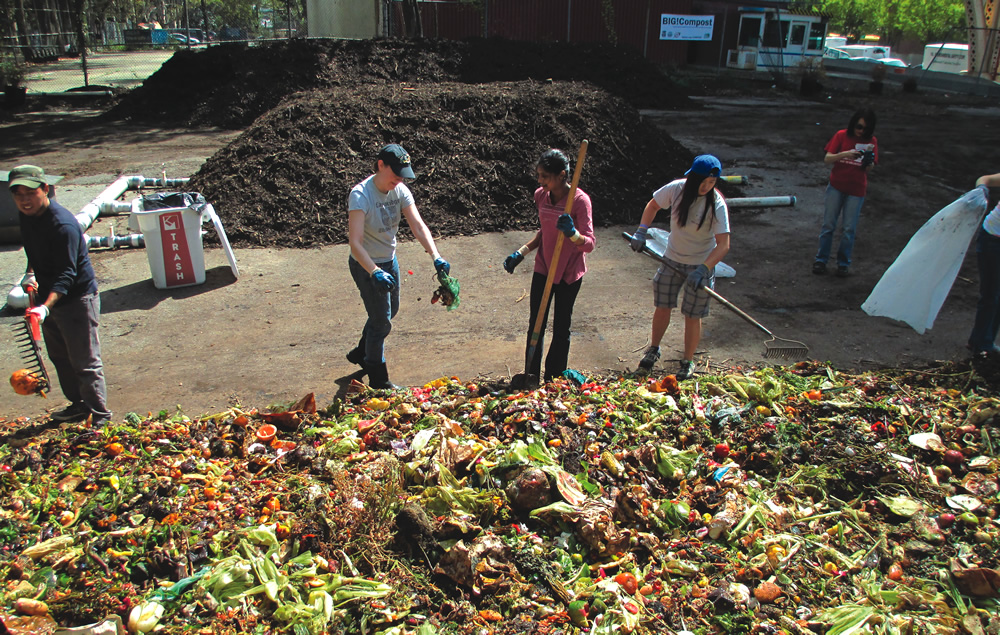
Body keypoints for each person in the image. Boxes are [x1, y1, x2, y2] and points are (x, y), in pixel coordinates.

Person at [8, 164, 111, 425]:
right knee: (60, 356)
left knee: (85, 361)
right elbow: (32, 249)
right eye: (18, 194)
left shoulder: (62, 225)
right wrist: (30, 274)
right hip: (48, 295)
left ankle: (100, 417)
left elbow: (67, 273)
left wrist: (45, 307)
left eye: (30, 193)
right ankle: (78, 405)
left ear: (45, 189)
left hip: (76, 298)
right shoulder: (27, 216)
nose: (24, 200)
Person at [347, 144, 451, 389]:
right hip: (366, 265)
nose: (399, 179)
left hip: (389, 261)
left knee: (388, 312)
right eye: (396, 172)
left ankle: (361, 352)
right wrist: (374, 271)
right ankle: (378, 378)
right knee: (382, 322)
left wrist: (436, 255)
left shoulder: (400, 190)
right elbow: (355, 243)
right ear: (381, 165)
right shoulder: (360, 195)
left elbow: (418, 225)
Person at [630, 155, 730, 380]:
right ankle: (653, 349)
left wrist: (704, 269)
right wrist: (641, 230)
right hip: (672, 258)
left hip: (701, 264)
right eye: (702, 182)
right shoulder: (676, 189)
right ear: (692, 178)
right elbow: (653, 205)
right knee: (663, 305)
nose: (706, 187)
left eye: (712, 183)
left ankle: (687, 360)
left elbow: (724, 244)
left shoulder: (716, 203)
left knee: (692, 314)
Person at [503, 149, 595, 382]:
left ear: (562, 175)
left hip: (569, 271)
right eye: (539, 175)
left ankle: (554, 377)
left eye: (545, 176)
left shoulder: (579, 201)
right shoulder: (540, 196)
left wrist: (572, 233)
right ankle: (531, 374)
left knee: (562, 326)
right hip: (544, 266)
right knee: (536, 322)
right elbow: (545, 232)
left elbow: (589, 243)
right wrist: (521, 252)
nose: (540, 181)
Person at [813, 108, 878, 278]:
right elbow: (827, 158)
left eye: (865, 129)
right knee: (828, 225)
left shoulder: (872, 141)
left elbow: (870, 168)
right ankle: (821, 260)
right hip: (837, 186)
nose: (861, 131)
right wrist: (845, 154)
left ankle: (843, 263)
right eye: (858, 127)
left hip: (856, 190)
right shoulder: (841, 136)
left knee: (849, 229)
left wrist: (868, 161)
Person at [969, 173, 1000, 356]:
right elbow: (985, 179)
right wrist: (981, 190)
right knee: (991, 294)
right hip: (992, 241)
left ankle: (982, 340)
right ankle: (982, 344)